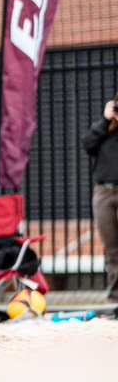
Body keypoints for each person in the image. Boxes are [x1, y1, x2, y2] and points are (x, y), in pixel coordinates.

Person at [82, 92, 118, 303]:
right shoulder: (105, 129)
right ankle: (115, 298)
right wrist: (105, 120)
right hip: (104, 192)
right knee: (112, 249)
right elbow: (87, 144)